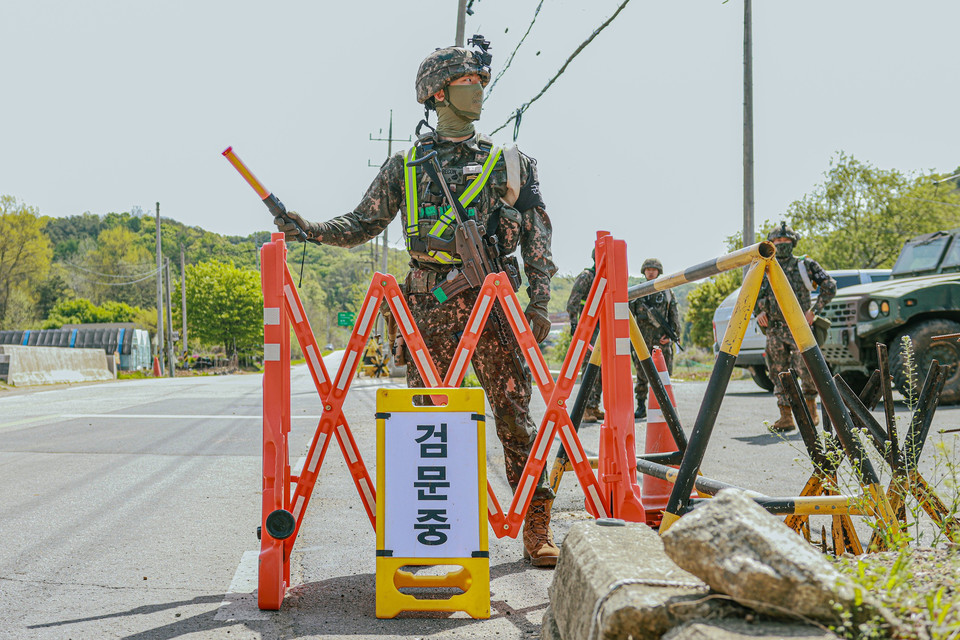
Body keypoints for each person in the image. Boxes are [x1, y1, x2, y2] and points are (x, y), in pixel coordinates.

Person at [273, 41, 560, 567]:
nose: (481, 89)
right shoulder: (407, 166)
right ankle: (434, 527)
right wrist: (306, 229)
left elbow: (539, 234)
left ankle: (535, 526)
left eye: (480, 79)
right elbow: (360, 224)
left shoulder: (511, 163)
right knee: (429, 420)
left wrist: (539, 300)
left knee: (516, 416)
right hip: (430, 308)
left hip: (494, 307)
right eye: (470, 80)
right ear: (438, 92)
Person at [754, 223, 837, 432]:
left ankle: (811, 409)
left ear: (794, 242)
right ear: (771, 244)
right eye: (778, 241)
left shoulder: (805, 265)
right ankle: (786, 417)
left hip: (799, 327)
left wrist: (814, 310)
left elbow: (830, 286)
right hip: (775, 330)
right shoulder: (762, 269)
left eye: (786, 241)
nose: (782, 245)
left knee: (807, 370)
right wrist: (759, 312)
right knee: (778, 373)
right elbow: (753, 294)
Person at [629, 258, 680, 420]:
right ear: (644, 271)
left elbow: (674, 315)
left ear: (659, 272)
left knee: (663, 375)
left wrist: (672, 335)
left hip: (661, 341)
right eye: (648, 269)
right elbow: (629, 316)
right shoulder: (636, 293)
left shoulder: (666, 291)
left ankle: (664, 406)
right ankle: (641, 406)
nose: (651, 271)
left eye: (654, 269)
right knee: (641, 374)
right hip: (641, 340)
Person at [565, 250, 604, 423]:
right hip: (589, 329)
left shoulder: (606, 277)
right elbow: (574, 300)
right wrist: (574, 324)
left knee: (602, 370)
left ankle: (594, 405)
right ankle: (586, 408)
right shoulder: (587, 276)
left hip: (603, 329)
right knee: (590, 367)